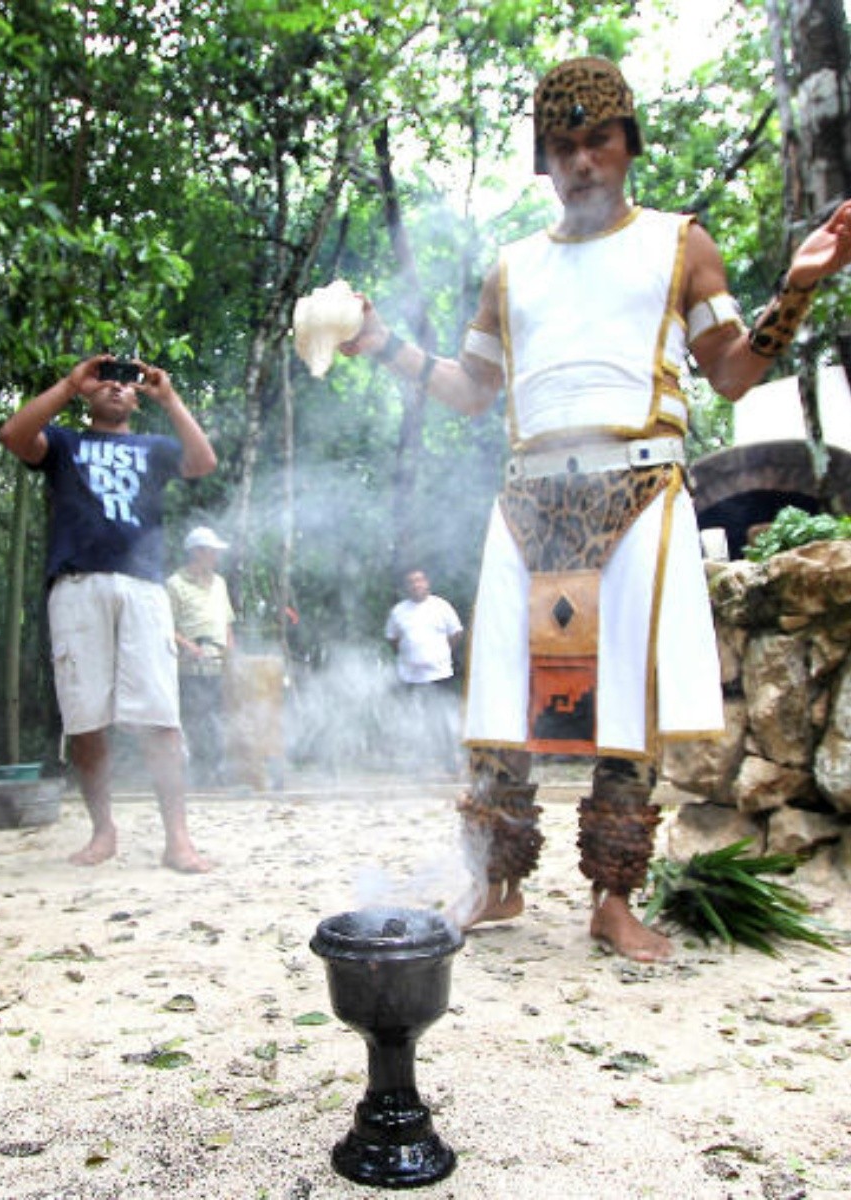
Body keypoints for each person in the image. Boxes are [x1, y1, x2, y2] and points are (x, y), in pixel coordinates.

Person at [341, 57, 851, 961]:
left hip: (640, 491)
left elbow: (730, 372)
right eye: (563, 146)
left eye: (598, 141)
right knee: (501, 696)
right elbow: (470, 390)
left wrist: (801, 283)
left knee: (625, 708)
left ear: (627, 147)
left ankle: (613, 900)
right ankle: (495, 883)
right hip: (531, 499)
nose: (581, 162)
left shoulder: (680, 245)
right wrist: (383, 345)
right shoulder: (513, 270)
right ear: (544, 161)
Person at [0, 354, 217, 873]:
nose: (117, 387)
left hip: (143, 588)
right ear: (90, 392)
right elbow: (14, 435)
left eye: (128, 383)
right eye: (106, 381)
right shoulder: (66, 443)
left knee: (162, 717)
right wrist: (71, 384)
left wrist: (169, 397)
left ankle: (178, 840)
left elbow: (203, 461)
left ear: (138, 397)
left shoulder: (155, 447)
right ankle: (103, 832)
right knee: (85, 718)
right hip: (77, 586)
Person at [166, 525, 236, 787]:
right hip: (189, 668)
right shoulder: (174, 584)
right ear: (197, 552)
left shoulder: (220, 584)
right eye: (212, 551)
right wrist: (188, 646)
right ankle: (196, 775)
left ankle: (218, 773)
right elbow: (164, 626)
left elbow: (227, 624)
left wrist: (231, 653)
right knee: (195, 720)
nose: (216, 556)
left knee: (218, 719)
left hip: (217, 666)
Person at [384, 568, 463, 774]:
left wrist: (441, 653)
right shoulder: (399, 611)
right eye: (411, 582)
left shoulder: (441, 606)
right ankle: (415, 763)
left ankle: (450, 762)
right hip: (409, 675)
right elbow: (392, 639)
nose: (416, 585)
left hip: (439, 673)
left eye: (420, 580)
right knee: (413, 719)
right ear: (407, 587)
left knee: (442, 719)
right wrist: (409, 655)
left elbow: (456, 633)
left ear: (427, 583)